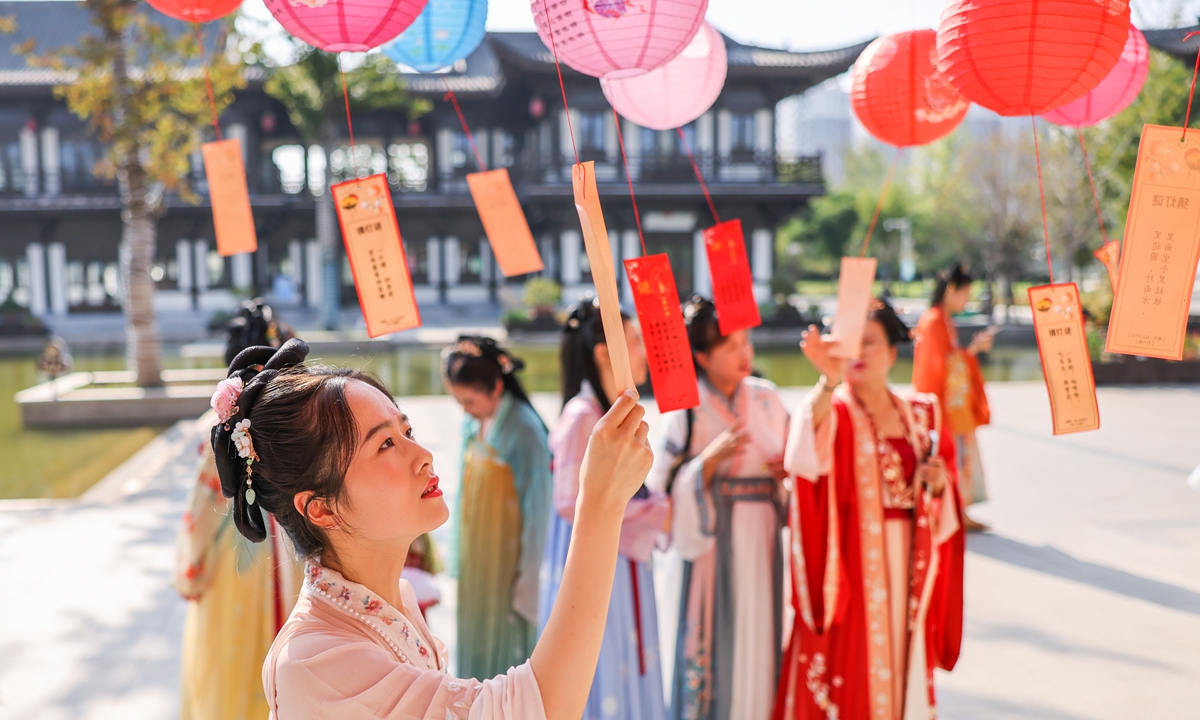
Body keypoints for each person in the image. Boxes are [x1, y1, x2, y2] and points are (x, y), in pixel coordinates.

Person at [208, 338, 653, 718]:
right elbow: (535, 709)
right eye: (385, 444)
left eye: (407, 430)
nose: (422, 454)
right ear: (321, 510)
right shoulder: (314, 659)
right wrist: (600, 503)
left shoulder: (390, 602)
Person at [774, 300, 965, 720]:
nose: (858, 352)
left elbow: (946, 493)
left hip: (908, 565)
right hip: (848, 565)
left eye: (871, 342)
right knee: (851, 665)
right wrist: (828, 379)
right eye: (849, 343)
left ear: (893, 352)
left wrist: (937, 485)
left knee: (900, 659)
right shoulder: (836, 409)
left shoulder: (919, 412)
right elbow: (803, 455)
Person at [647, 296, 790, 720]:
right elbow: (658, 489)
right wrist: (706, 463)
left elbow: (798, 463)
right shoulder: (685, 412)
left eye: (746, 342)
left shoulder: (767, 399)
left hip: (763, 538)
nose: (744, 354)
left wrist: (788, 473)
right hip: (708, 545)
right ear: (702, 356)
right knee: (709, 633)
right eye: (731, 347)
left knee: (760, 628)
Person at [539, 299, 669, 720]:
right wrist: (652, 510)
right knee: (605, 665)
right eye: (634, 340)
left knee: (628, 658)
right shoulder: (583, 417)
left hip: (617, 556)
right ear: (603, 353)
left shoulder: (603, 415)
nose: (644, 351)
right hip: (597, 562)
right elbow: (568, 503)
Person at [174, 300, 304, 720]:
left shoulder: (218, 424)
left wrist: (190, 568)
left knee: (233, 668)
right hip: (294, 542)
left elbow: (201, 506)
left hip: (239, 550)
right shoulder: (298, 417)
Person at [443, 336, 552, 680]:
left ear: (496, 388)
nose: (464, 409)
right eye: (458, 401)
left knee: (507, 661)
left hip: (508, 565)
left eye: (470, 401)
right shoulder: (471, 423)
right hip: (478, 560)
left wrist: (528, 579)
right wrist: (458, 555)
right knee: (474, 643)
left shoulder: (526, 431)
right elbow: (463, 494)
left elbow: (538, 512)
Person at [912, 264, 993, 532]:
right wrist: (973, 349)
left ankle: (959, 509)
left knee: (958, 457)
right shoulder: (934, 320)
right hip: (943, 403)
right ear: (950, 290)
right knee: (951, 458)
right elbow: (942, 365)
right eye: (965, 292)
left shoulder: (941, 319)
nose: (967, 299)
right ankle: (954, 510)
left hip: (951, 402)